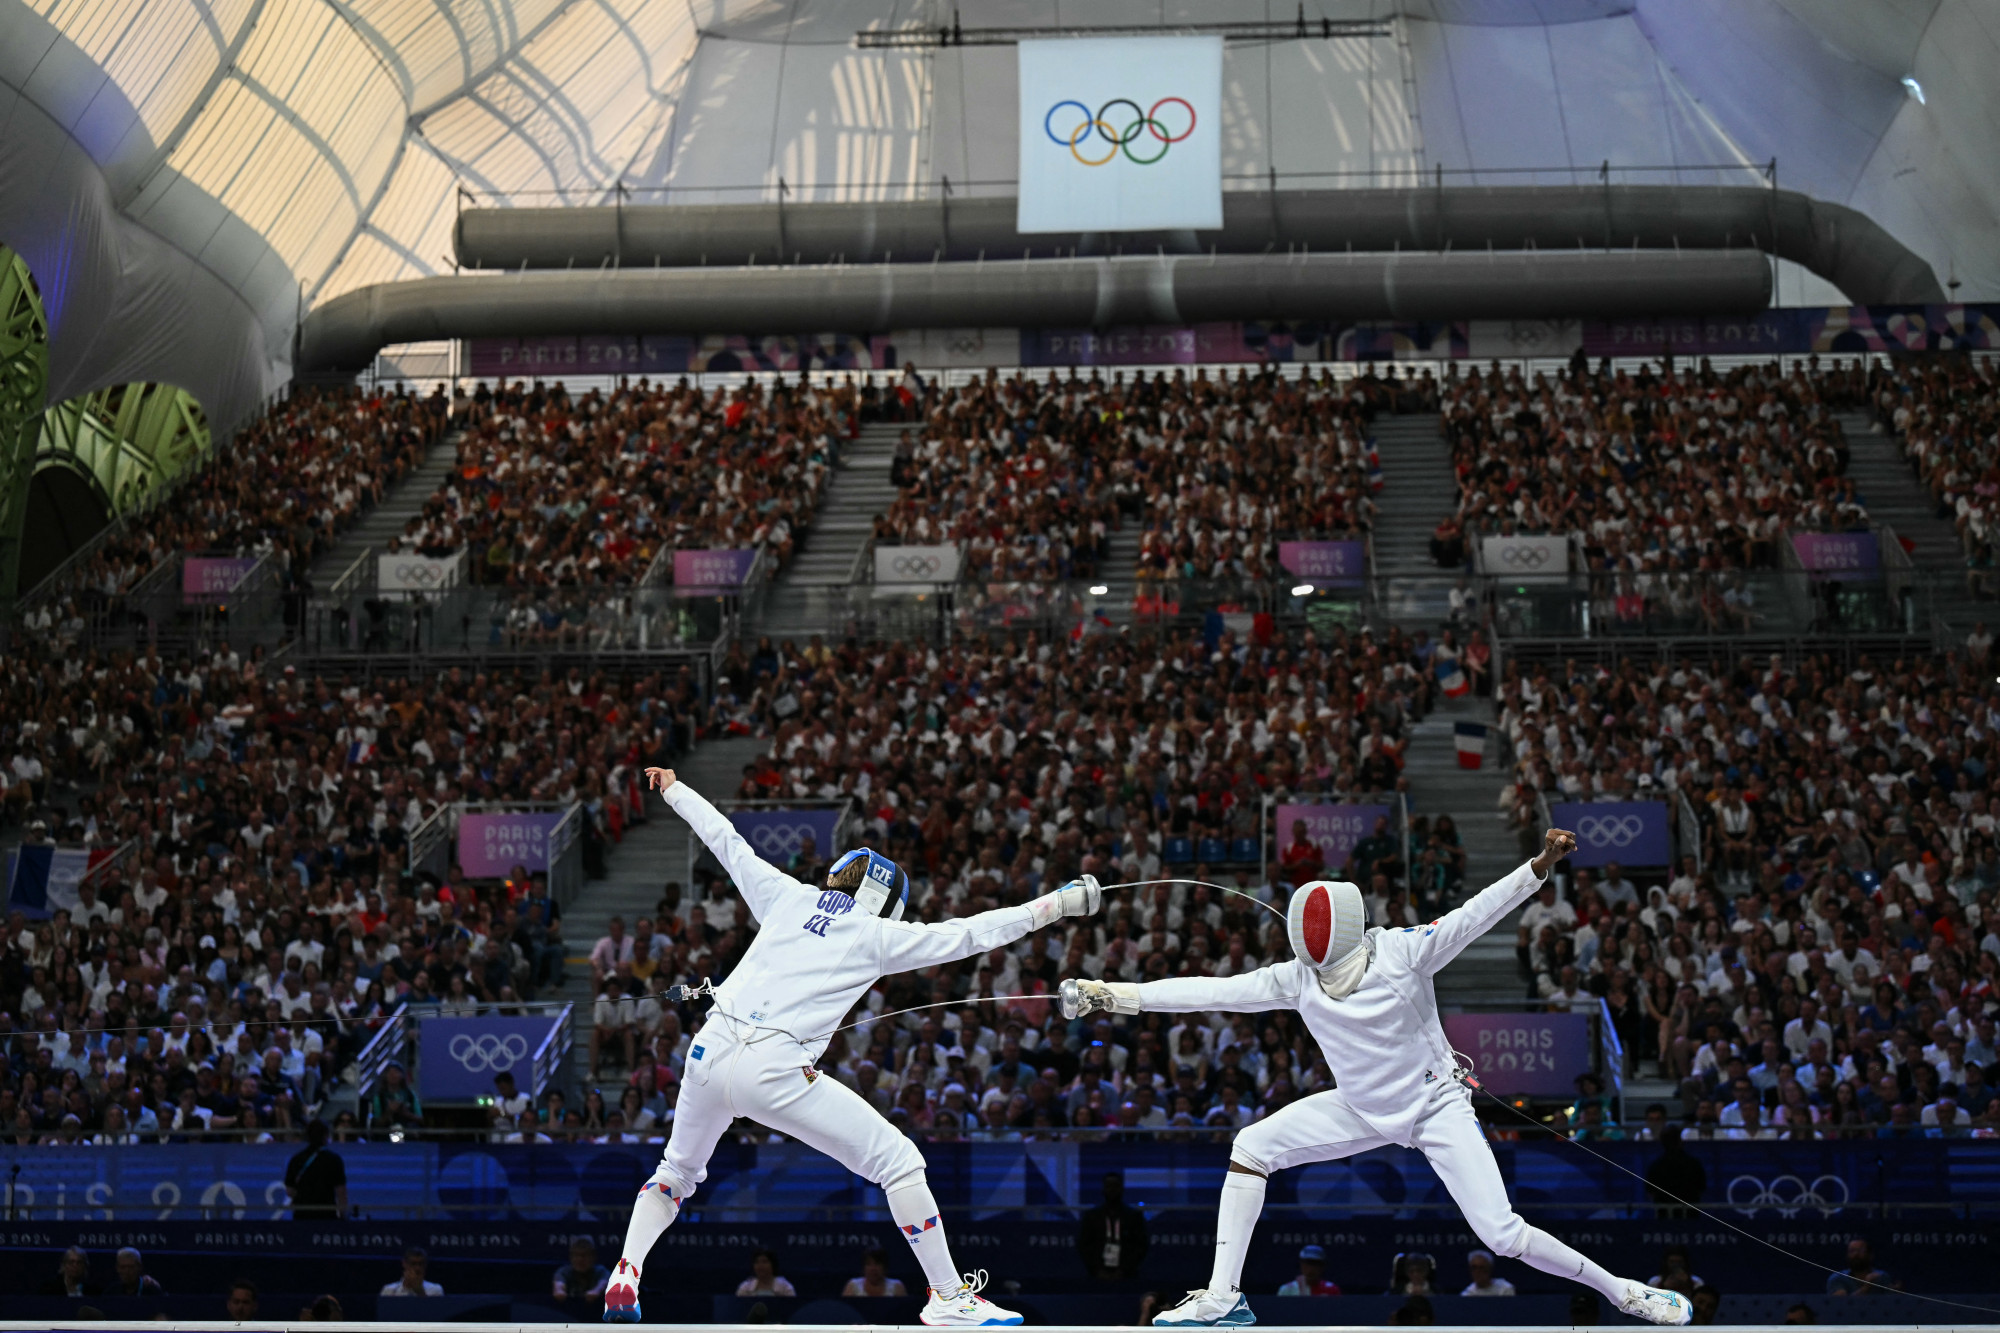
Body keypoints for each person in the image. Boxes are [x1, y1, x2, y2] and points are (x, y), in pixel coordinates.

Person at [1065, 829, 1693, 1328]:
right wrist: (1111, 995)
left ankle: (1625, 1293)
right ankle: (1223, 1298)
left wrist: (1536, 868)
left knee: (1501, 1235)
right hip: (1361, 1108)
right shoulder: (1297, 978)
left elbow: (1474, 916)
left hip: (1435, 1105)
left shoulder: (1401, 952)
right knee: (1250, 1147)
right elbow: (1206, 991)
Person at [607, 766, 1103, 1326]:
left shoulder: (786, 896)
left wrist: (674, 788)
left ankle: (628, 1267)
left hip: (706, 1052)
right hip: (774, 1070)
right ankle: (947, 1296)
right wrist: (1057, 906)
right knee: (900, 1161)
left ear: (842, 875)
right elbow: (971, 933)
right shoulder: (876, 934)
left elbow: (725, 838)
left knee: (675, 1174)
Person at [1078, 1172, 1150, 1283]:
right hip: (1096, 1276)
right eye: (1108, 1186)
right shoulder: (1092, 1216)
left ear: (1122, 1189)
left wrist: (1124, 1270)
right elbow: (1084, 1246)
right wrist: (1097, 1270)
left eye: (1115, 1186)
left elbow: (1141, 1246)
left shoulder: (1133, 1217)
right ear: (1103, 1189)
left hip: (1127, 1276)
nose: (1112, 1190)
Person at [284, 1118, 349, 1218]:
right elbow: (341, 1192)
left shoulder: (296, 1159)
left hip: (302, 1215)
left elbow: (289, 1191)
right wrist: (343, 1216)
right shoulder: (334, 1160)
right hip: (326, 1216)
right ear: (326, 1136)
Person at [1644, 1127, 1706, 1215]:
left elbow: (1650, 1191)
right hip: (1686, 1217)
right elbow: (1701, 1188)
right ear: (1680, 1140)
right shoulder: (1693, 1163)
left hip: (1676, 1216)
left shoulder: (1656, 1165)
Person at [555, 1238, 611, 1316]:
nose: (580, 1259)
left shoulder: (602, 1271)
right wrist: (559, 1291)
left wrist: (596, 1291)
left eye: (584, 1255)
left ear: (593, 1256)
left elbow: (602, 1284)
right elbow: (558, 1287)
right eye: (576, 1255)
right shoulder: (563, 1271)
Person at [1824, 1239, 1897, 1296]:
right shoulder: (1838, 1278)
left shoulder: (1882, 1277)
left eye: (1860, 1251)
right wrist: (1866, 1287)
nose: (1856, 1254)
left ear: (1870, 1255)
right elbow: (1840, 1306)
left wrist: (1895, 1293)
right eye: (1852, 1251)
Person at [842, 1248, 909, 1297]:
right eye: (868, 1264)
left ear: (884, 1267)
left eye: (877, 1264)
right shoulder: (853, 1285)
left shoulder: (897, 1286)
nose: (873, 1268)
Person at [1275, 1244, 1339, 1296]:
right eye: (1307, 1263)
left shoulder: (1332, 1290)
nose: (1310, 1268)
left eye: (1315, 1264)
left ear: (1322, 1267)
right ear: (1301, 1265)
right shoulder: (1287, 1290)